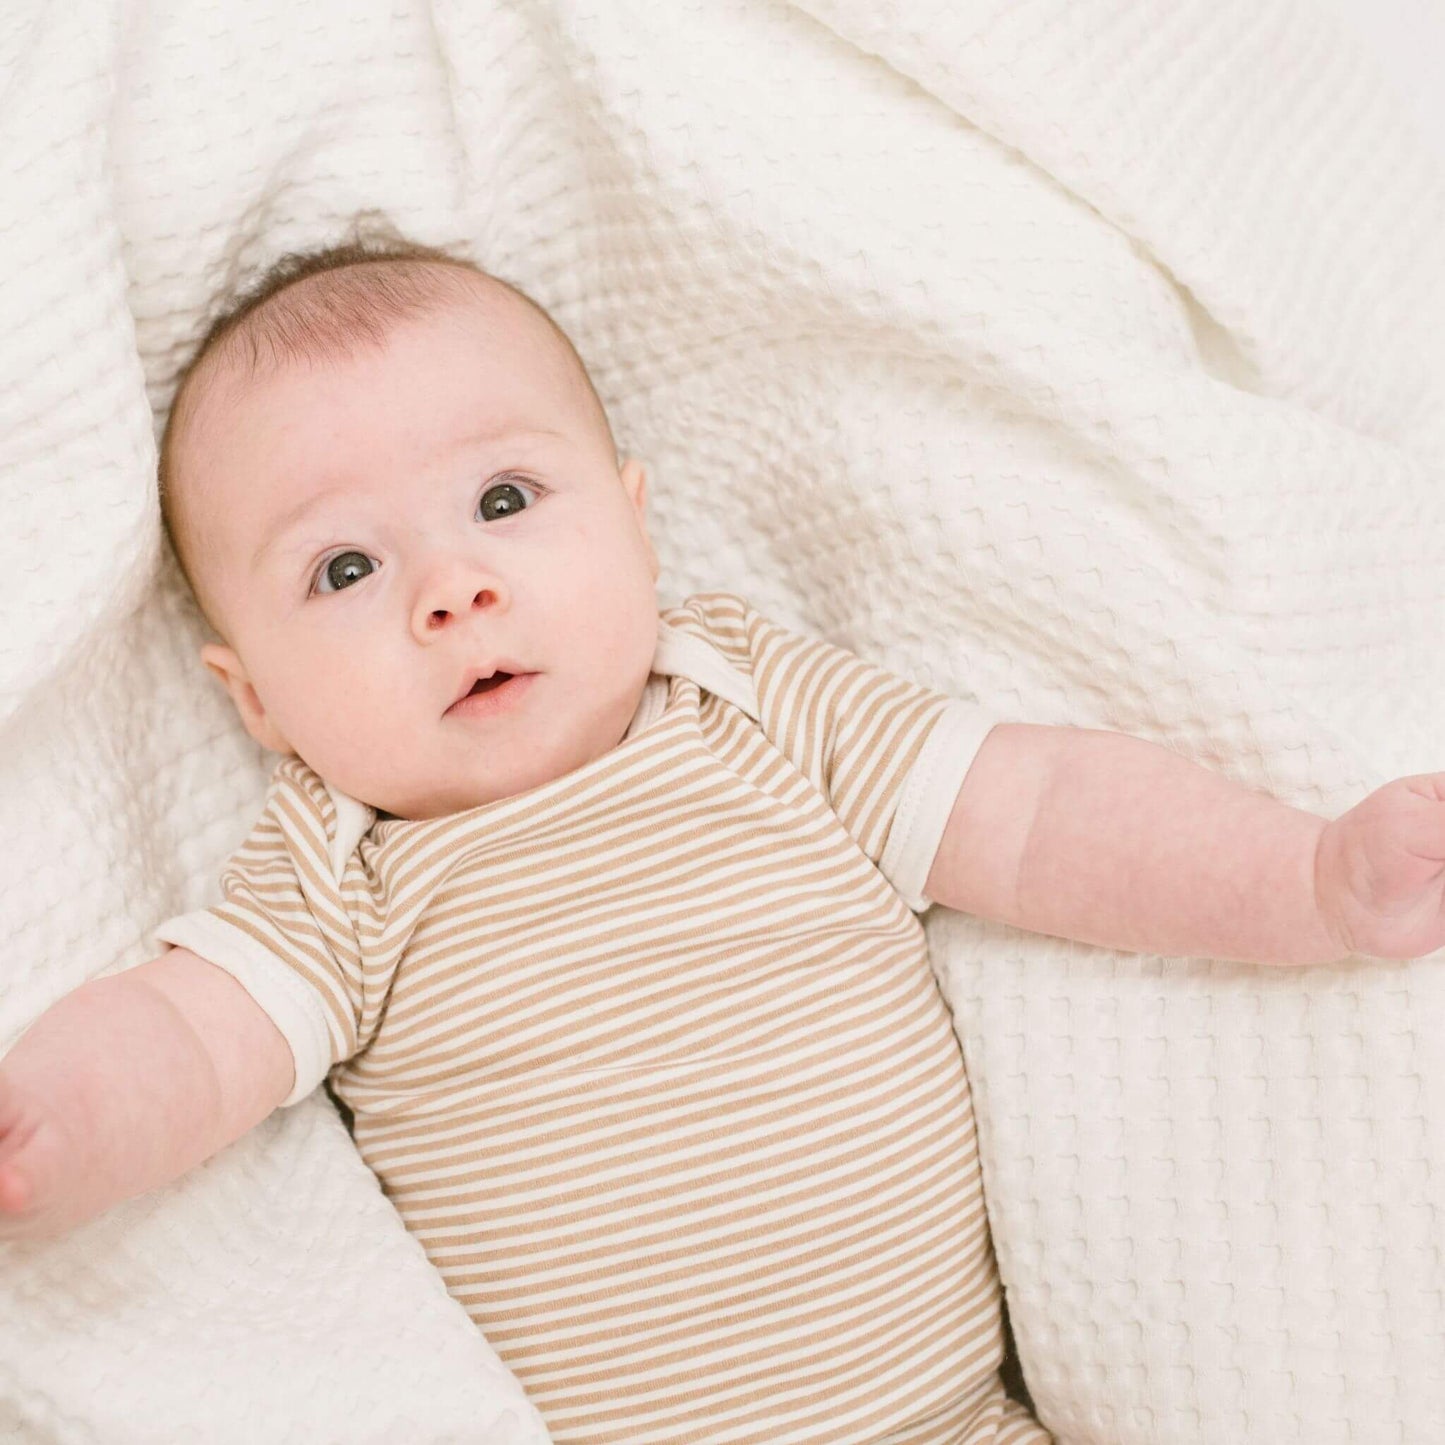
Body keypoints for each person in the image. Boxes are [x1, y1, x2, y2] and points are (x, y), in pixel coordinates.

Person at [2, 236, 1441, 1445]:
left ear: (634, 527)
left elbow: (1042, 812)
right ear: (256, 698)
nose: (453, 588)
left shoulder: (753, 699)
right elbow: (182, 1042)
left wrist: (1304, 877)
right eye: (344, 567)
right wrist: (46, 1132)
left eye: (504, 500)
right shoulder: (335, 874)